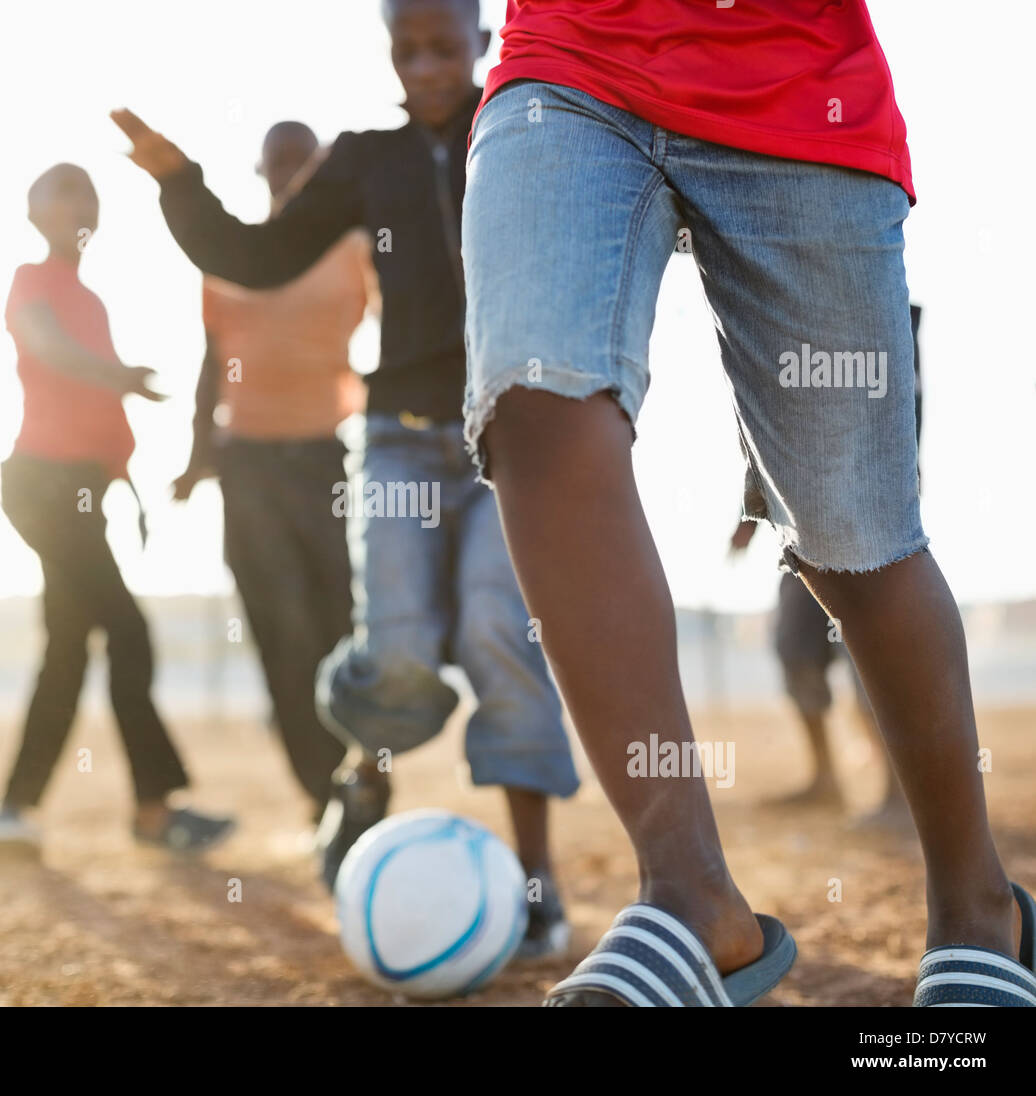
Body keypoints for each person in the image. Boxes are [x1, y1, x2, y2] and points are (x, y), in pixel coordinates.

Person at [461, 4, 1035, 1006]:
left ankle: (978, 903)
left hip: (796, 85)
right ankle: (689, 896)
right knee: (533, 395)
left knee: (851, 532)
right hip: (568, 64)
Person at [112, 0, 579, 958]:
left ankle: (540, 881)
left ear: (481, 41)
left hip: (513, 435)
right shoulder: (367, 158)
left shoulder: (531, 125)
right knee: (395, 644)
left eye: (444, 45)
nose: (426, 65)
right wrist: (181, 184)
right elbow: (259, 256)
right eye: (406, 49)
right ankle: (361, 780)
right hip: (401, 439)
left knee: (500, 633)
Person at [0, 163, 233, 855]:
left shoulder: (94, 301)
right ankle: (154, 813)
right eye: (61, 191)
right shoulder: (32, 282)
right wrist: (124, 377)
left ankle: (14, 811)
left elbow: (98, 417)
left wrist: (129, 491)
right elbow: (50, 352)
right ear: (32, 212)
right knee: (130, 634)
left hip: (84, 493)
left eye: (88, 193)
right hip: (43, 488)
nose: (79, 202)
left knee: (69, 650)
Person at [174, 121, 373, 824]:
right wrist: (199, 454)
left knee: (336, 626)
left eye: (304, 160)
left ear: (321, 169)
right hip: (247, 463)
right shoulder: (233, 257)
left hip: (322, 457)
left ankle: (358, 783)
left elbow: (400, 320)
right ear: (259, 170)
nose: (289, 171)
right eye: (278, 160)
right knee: (280, 632)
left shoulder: (352, 251)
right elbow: (211, 359)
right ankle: (321, 795)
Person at [726, 305, 925, 828]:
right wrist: (750, 514)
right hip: (801, 525)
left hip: (868, 523)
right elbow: (770, 428)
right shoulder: (786, 325)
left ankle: (898, 797)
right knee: (796, 650)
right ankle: (827, 781)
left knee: (873, 667)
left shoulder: (886, 326)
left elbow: (900, 423)